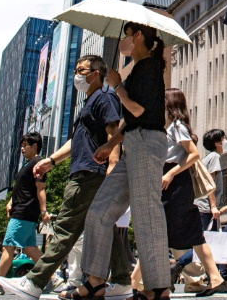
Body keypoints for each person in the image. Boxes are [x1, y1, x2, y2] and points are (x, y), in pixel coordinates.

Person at [0, 55, 132, 300]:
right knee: (105, 227)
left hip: (90, 174)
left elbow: (114, 133)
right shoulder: (89, 103)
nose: (77, 76)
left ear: (96, 73)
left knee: (65, 227)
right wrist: (51, 161)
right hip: (85, 171)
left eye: (82, 70)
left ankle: (35, 282)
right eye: (76, 70)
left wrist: (113, 166)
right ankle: (122, 281)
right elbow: (77, 140)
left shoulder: (104, 96)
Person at [73, 22, 171, 300]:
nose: (124, 42)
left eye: (127, 36)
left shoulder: (148, 67)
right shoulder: (140, 69)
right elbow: (131, 117)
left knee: (146, 213)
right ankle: (94, 281)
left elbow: (138, 110)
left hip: (148, 143)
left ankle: (158, 287)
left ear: (138, 36)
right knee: (100, 211)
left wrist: (117, 87)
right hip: (134, 144)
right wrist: (110, 144)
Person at [161, 88, 227, 297]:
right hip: (173, 181)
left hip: (175, 182)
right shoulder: (169, 127)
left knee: (159, 230)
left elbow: (193, 155)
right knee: (194, 234)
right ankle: (215, 278)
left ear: (170, 105)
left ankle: (148, 281)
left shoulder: (177, 126)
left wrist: (171, 173)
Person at [0, 133, 49, 296]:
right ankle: (51, 277)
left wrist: (44, 210)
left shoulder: (38, 163)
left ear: (35, 146)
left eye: (25, 145)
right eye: (21, 145)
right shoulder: (29, 164)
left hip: (24, 211)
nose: (22, 148)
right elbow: (21, 188)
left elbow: (41, 188)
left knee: (8, 246)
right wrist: (11, 202)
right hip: (23, 210)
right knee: (30, 249)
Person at [170, 128, 227, 284]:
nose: (225, 142)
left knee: (204, 241)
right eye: (224, 139)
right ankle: (178, 266)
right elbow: (211, 182)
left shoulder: (207, 157)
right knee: (205, 241)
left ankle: (213, 278)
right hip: (206, 206)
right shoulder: (215, 157)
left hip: (200, 204)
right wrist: (214, 206)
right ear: (217, 143)